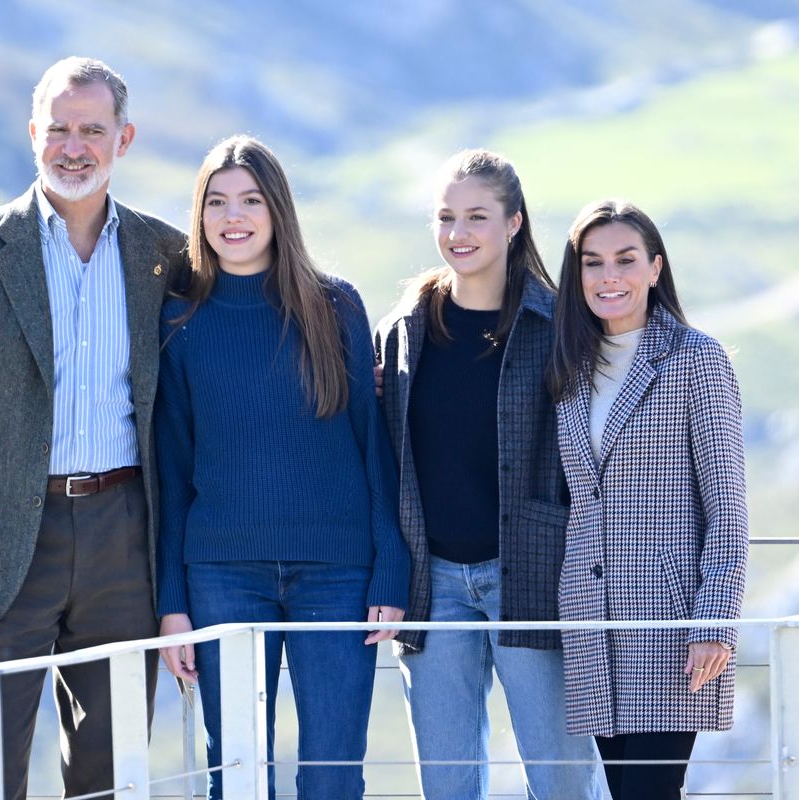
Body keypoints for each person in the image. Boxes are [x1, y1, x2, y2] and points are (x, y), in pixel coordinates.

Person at [0, 57, 187, 799]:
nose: (74, 146)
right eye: (59, 128)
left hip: (127, 540)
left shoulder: (165, 255)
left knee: (111, 772)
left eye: (92, 130)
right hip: (0, 550)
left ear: (124, 140)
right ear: (33, 134)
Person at [154, 135, 410, 800]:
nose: (232, 217)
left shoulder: (336, 307)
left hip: (339, 574)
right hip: (222, 578)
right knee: (235, 773)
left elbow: (372, 446)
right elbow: (173, 471)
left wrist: (390, 564)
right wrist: (173, 604)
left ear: (278, 211)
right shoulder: (181, 322)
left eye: (250, 200)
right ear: (199, 214)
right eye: (217, 202)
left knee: (332, 775)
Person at [374, 149, 606, 800]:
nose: (458, 233)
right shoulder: (402, 331)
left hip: (532, 578)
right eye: (446, 217)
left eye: (477, 216)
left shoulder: (562, 326)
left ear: (513, 223)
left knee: (562, 782)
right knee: (447, 787)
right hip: (433, 586)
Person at [548, 199, 749, 799]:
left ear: (655, 269)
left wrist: (715, 618)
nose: (609, 276)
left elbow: (728, 504)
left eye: (626, 260)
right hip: (589, 618)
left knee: (651, 793)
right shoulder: (568, 369)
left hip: (670, 622)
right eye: (593, 262)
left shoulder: (696, 359)